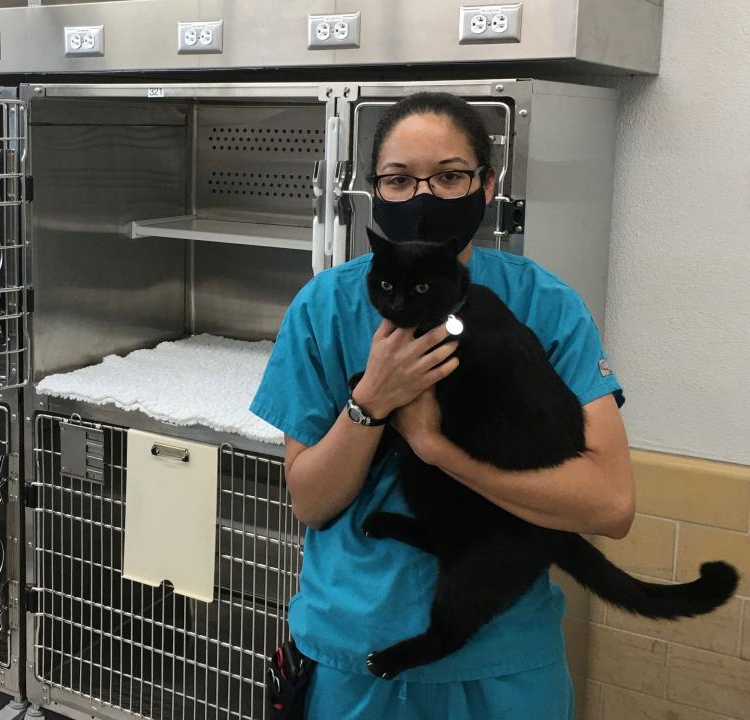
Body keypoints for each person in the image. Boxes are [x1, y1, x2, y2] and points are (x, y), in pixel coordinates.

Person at [250, 92, 635, 719]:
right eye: (399, 180)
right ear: (373, 191)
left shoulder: (545, 305)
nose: (421, 199)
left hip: (502, 656)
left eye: (450, 177)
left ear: (487, 187)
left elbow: (611, 506)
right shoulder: (325, 307)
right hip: (354, 648)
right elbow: (311, 502)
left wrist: (435, 446)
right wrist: (373, 399)